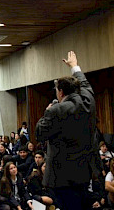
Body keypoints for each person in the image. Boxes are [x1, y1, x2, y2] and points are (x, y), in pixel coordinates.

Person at [35, 51, 97, 210]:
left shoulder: (56, 111)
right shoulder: (88, 103)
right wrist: (74, 67)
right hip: (84, 173)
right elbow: (85, 84)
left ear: (61, 92)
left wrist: (46, 112)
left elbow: (39, 134)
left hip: (61, 178)